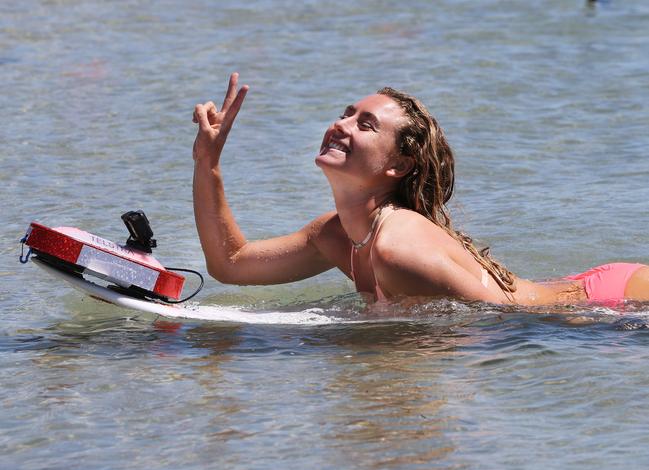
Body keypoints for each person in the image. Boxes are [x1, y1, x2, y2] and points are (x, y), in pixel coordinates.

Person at [192, 73, 649, 306]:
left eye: (364, 124)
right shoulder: (334, 235)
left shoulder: (397, 248)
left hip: (613, 300)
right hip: (579, 289)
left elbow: (503, 323)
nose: (340, 124)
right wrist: (207, 162)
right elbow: (231, 265)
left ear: (399, 165)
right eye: (347, 113)